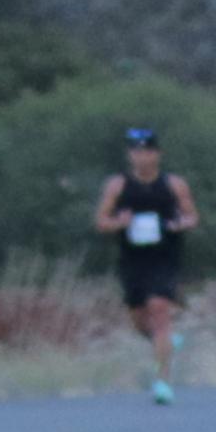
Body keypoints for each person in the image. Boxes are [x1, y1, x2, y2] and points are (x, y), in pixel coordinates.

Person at [84, 127, 200, 402]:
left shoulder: (174, 185)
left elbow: (192, 217)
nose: (142, 157)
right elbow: (101, 221)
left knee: (159, 309)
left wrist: (181, 224)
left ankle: (163, 382)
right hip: (133, 259)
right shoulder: (118, 185)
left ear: (157, 154)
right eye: (136, 152)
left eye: (147, 152)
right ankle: (165, 344)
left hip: (165, 257)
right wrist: (118, 223)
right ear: (130, 156)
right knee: (139, 319)